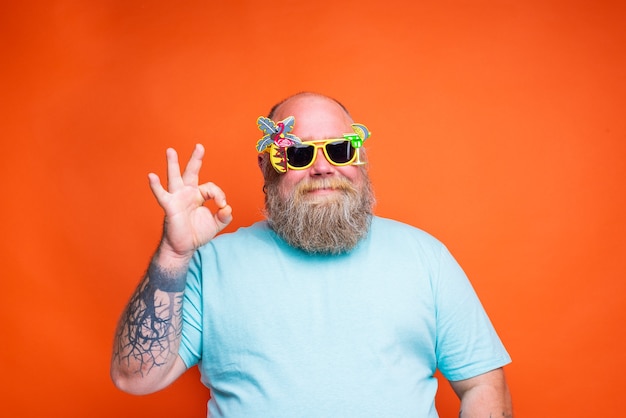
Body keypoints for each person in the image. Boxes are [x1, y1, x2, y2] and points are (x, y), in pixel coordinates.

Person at [111, 92, 513, 417]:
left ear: (360, 159)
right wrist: (174, 252)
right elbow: (135, 376)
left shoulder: (426, 258)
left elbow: (483, 383)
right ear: (268, 167)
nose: (322, 167)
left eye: (339, 149)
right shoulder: (210, 264)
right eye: (300, 154)